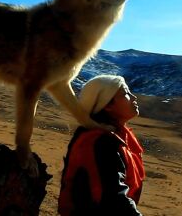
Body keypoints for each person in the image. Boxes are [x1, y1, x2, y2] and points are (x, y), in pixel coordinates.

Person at [58, 75, 145, 216]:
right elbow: (113, 200)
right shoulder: (99, 142)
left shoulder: (116, 137)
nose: (134, 97)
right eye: (126, 93)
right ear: (107, 105)